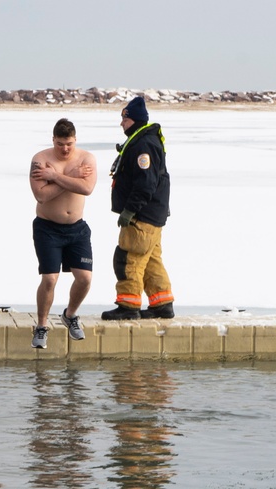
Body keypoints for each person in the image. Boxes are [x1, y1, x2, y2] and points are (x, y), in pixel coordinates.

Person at [102, 95, 174, 320]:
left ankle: (128, 305)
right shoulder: (143, 140)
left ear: (135, 120)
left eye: (125, 119)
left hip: (142, 216)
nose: (121, 123)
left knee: (128, 257)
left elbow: (146, 184)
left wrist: (130, 211)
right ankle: (162, 303)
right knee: (151, 259)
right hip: (153, 214)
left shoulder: (143, 145)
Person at [28, 118, 97, 348]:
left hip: (77, 228)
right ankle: (41, 326)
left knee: (85, 278)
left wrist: (55, 177)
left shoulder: (87, 159)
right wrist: (72, 177)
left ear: (75, 140)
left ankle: (70, 315)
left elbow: (86, 188)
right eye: (60, 144)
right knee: (49, 279)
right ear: (53, 140)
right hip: (48, 227)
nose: (65, 148)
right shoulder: (40, 160)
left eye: (69, 143)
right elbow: (42, 196)